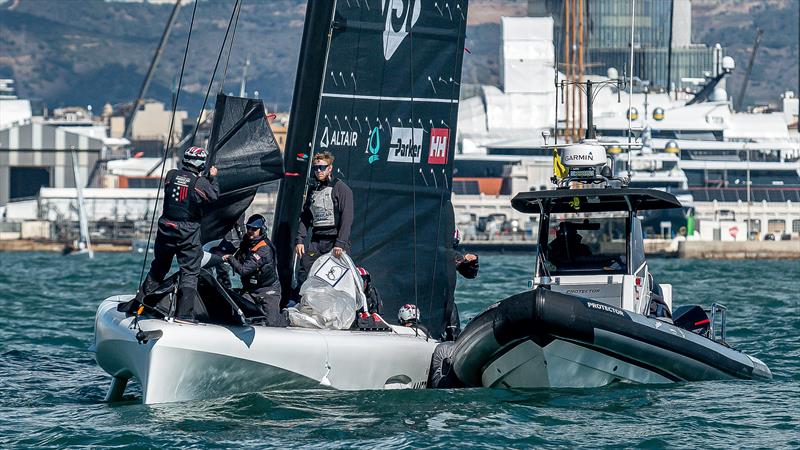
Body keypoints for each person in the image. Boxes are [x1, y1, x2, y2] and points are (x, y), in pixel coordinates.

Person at [137, 146, 219, 320]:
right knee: (190, 272)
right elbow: (213, 197)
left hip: (166, 229)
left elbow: (183, 185)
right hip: (187, 232)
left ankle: (140, 303)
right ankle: (184, 315)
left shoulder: (171, 175)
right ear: (201, 164)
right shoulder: (201, 183)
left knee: (159, 267)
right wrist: (213, 178)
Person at [295, 151, 353, 288]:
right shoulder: (313, 189)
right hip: (317, 240)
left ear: (330, 168)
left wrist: (340, 243)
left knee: (335, 279)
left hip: (335, 242)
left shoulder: (341, 189)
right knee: (305, 272)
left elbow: (347, 218)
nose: (319, 171)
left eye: (322, 167)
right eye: (316, 168)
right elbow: (305, 216)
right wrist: (300, 240)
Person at [223, 214, 287, 327]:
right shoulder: (246, 242)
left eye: (254, 229)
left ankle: (287, 317)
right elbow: (237, 254)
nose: (250, 231)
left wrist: (229, 258)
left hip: (268, 290)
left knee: (272, 323)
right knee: (238, 315)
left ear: (261, 230)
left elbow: (243, 270)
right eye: (248, 228)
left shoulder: (264, 249)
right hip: (250, 290)